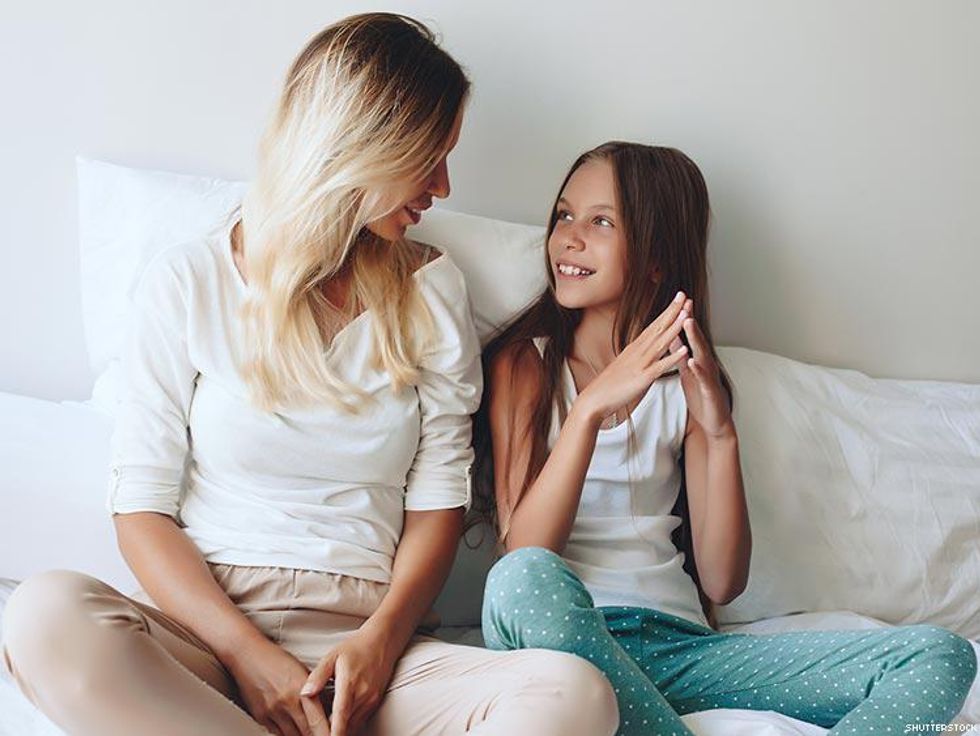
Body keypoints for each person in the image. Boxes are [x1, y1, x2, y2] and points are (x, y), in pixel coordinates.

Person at [1, 15, 619, 736]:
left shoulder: (433, 290)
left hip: (365, 648)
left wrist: (380, 643)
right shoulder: (190, 281)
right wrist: (247, 655)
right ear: (362, 142)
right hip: (206, 641)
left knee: (575, 694)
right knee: (44, 615)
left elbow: (438, 504)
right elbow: (140, 510)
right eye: (429, 158)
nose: (443, 187)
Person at [475, 141, 977, 735]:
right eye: (564, 215)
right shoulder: (526, 365)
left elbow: (721, 581)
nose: (569, 237)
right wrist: (588, 412)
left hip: (681, 650)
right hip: (567, 645)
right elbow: (525, 549)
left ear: (657, 259)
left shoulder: (686, 386)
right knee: (519, 580)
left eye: (601, 222)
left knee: (942, 656)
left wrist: (719, 433)